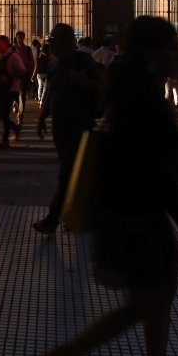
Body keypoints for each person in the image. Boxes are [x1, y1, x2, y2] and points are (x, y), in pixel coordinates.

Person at [36, 16, 178, 356]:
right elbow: (156, 173)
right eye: (171, 47)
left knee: (158, 295)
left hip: (130, 210)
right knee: (148, 300)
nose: (177, 55)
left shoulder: (130, 86)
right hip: (136, 215)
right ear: (154, 52)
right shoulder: (142, 97)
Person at [33, 23, 104, 235]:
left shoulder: (83, 61)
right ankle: (81, 216)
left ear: (67, 42)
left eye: (54, 42)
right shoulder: (56, 65)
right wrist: (42, 117)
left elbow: (102, 84)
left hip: (80, 127)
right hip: (61, 128)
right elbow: (53, 94)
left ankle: (53, 220)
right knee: (77, 175)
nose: (51, 47)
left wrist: (82, 80)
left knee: (67, 175)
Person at [0, 35, 26, 150]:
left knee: (4, 114)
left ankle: (5, 140)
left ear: (5, 44)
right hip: (0, 89)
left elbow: (22, 71)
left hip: (10, 89)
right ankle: (15, 128)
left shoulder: (13, 56)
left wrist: (9, 77)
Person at [13, 31, 36, 123]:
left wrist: (28, 67)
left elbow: (32, 62)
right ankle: (16, 104)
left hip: (24, 73)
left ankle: (21, 115)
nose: (20, 40)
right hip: (14, 74)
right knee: (14, 93)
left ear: (24, 38)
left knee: (22, 94)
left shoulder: (27, 49)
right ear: (16, 38)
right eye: (19, 38)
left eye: (22, 38)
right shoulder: (13, 49)